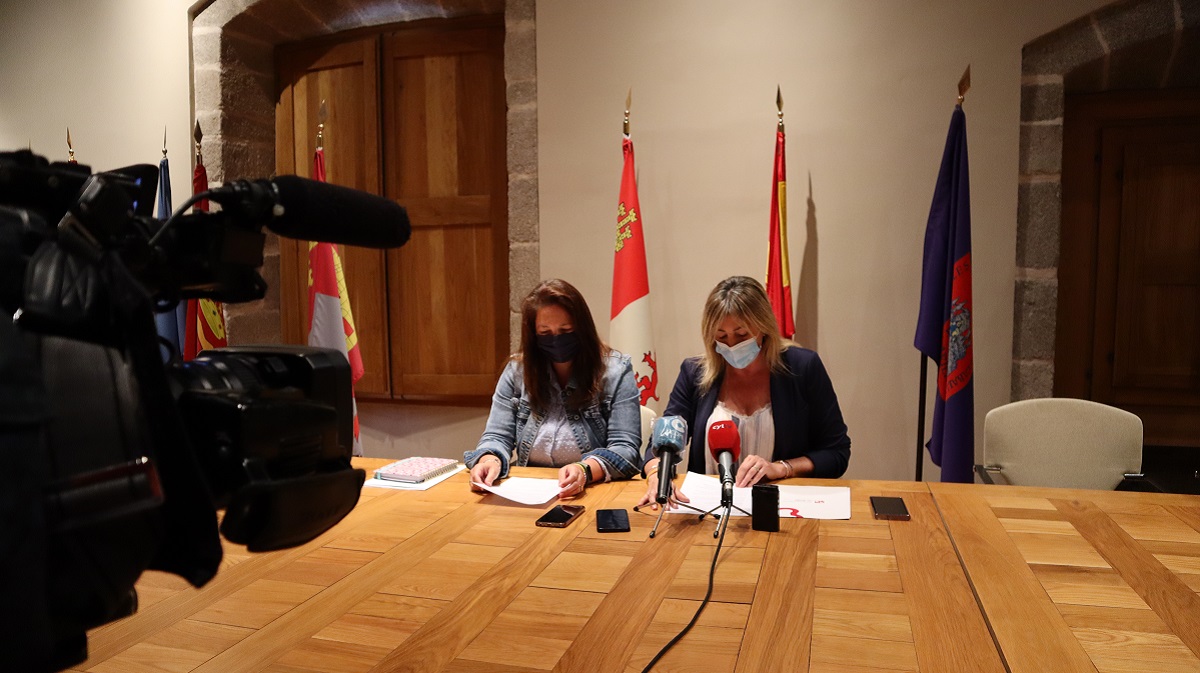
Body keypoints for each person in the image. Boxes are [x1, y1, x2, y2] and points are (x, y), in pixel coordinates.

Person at [637, 276, 850, 510]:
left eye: (742, 335)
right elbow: (660, 445)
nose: (731, 345)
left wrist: (780, 468)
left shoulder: (803, 367)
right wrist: (657, 475)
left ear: (764, 327)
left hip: (778, 510)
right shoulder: (694, 373)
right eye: (721, 336)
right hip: (708, 512)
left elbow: (836, 453)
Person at [465, 279, 643, 498]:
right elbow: (496, 436)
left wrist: (585, 469)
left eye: (565, 330)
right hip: (529, 489)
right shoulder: (517, 371)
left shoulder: (615, 371)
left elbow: (625, 449)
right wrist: (489, 460)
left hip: (595, 492)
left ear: (582, 329)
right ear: (533, 335)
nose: (556, 340)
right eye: (545, 332)